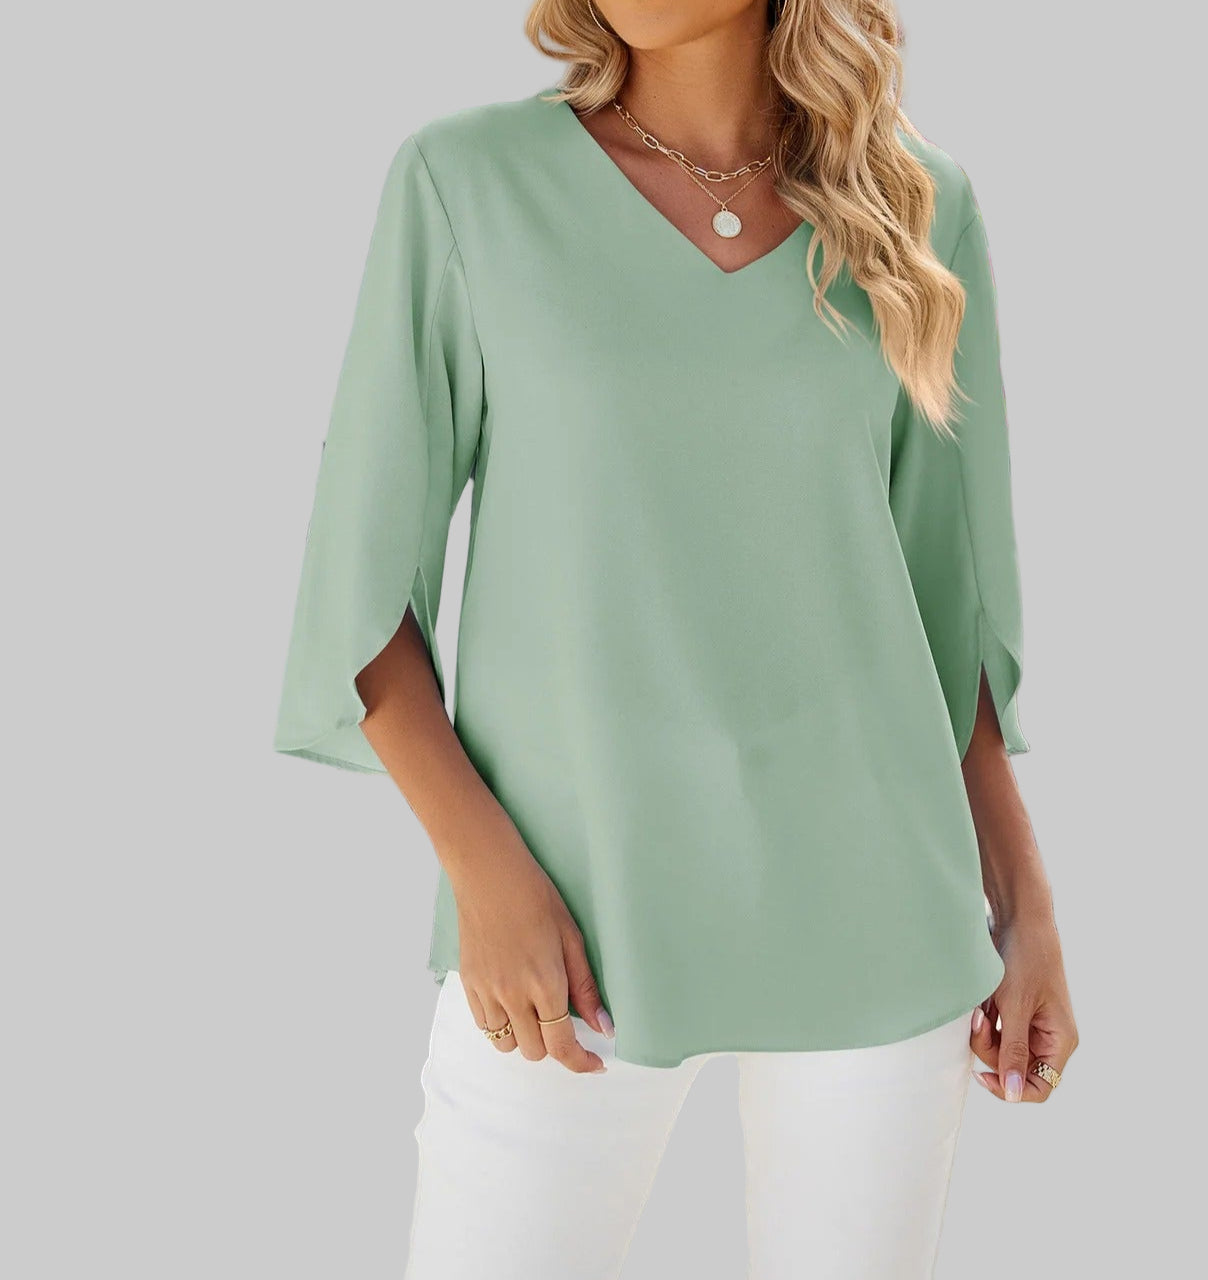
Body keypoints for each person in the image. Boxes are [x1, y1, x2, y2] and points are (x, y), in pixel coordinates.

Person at [272, 2, 1079, 1276]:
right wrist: (485, 875)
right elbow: (361, 594)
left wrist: (1023, 908)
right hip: (570, 921)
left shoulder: (918, 207)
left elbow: (950, 603)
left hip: (878, 911)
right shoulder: (465, 183)